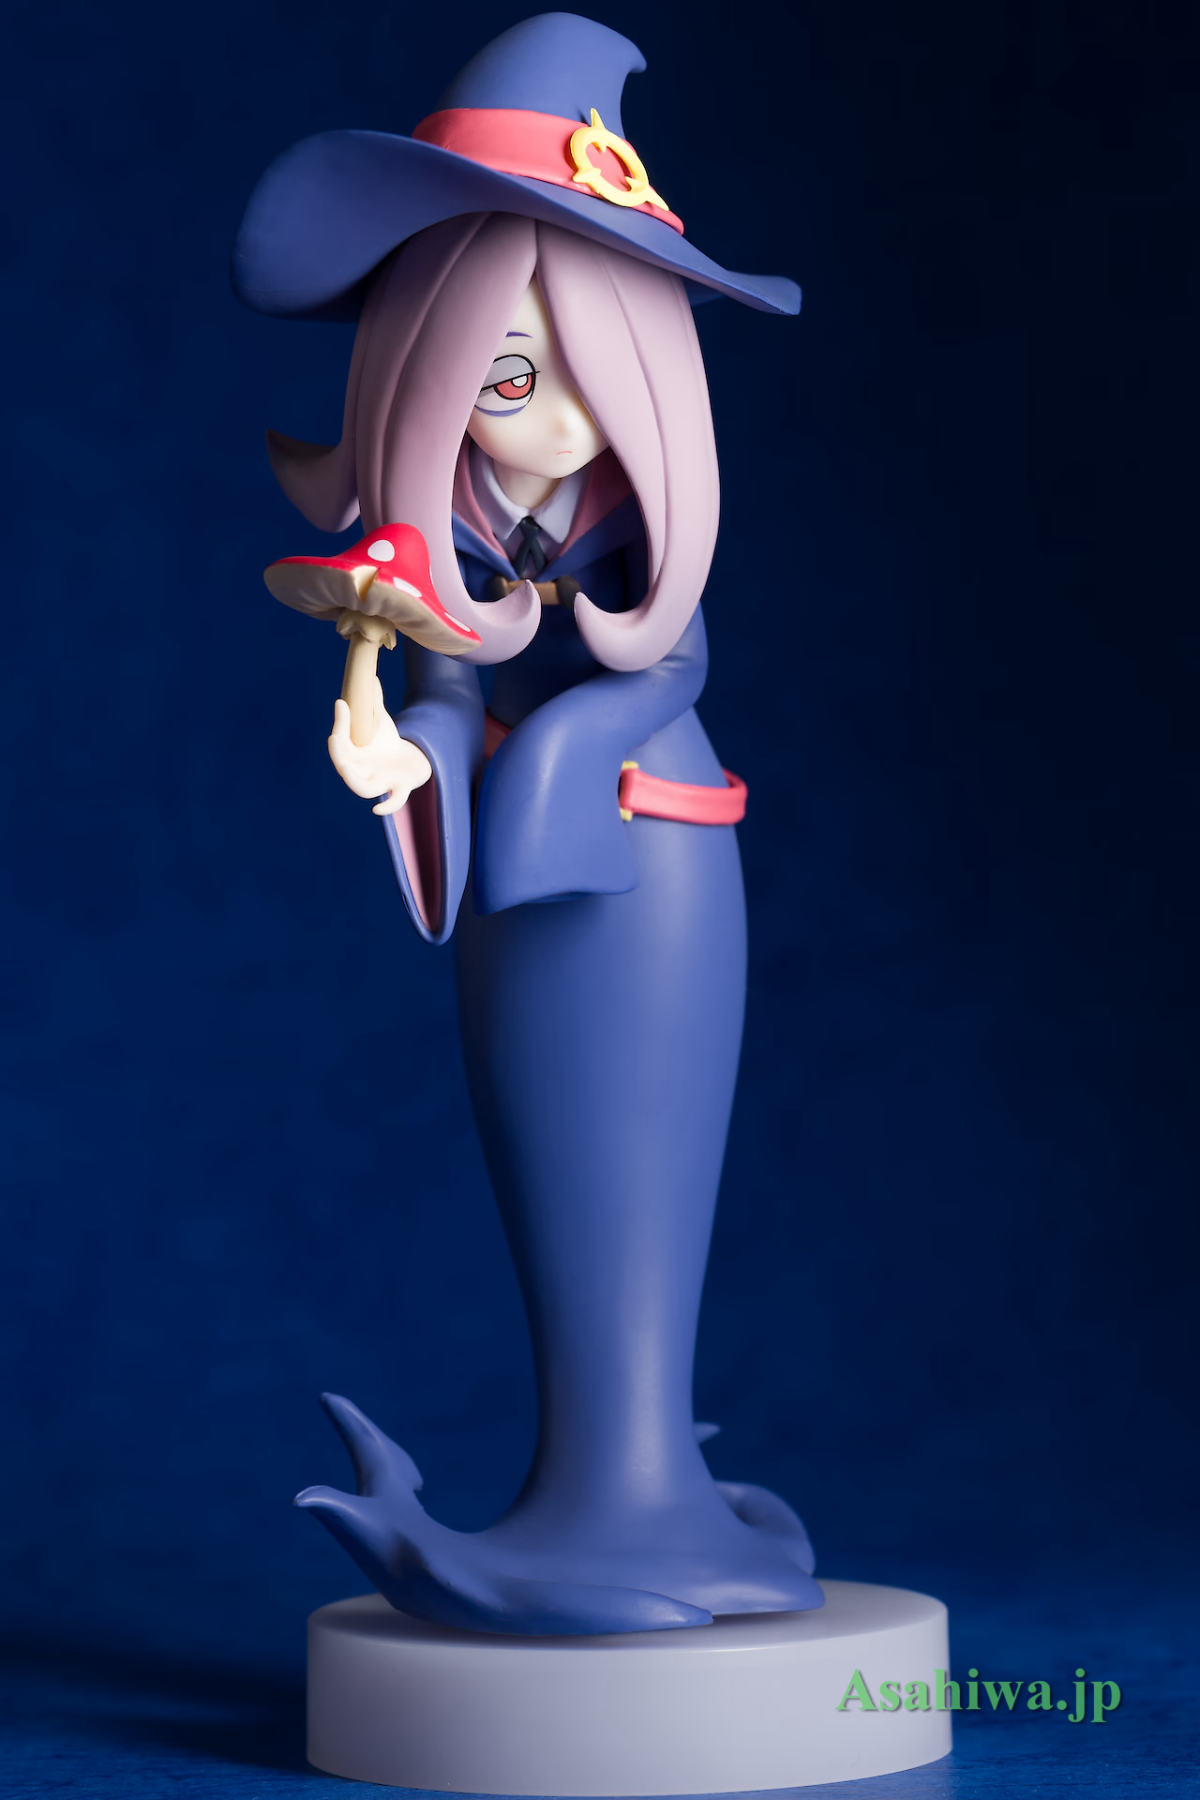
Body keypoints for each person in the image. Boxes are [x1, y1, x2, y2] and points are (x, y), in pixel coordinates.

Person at [235, 13, 820, 1636]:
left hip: (662, 855)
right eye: (504, 376)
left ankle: (647, 1484)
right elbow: (438, 683)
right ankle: (595, 1483)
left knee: (655, 1172)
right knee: (557, 1167)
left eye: (591, 369)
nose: (556, 417)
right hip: (511, 866)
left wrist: (560, 742)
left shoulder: (627, 532)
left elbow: (671, 662)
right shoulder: (460, 547)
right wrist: (407, 760)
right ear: (425, 377)